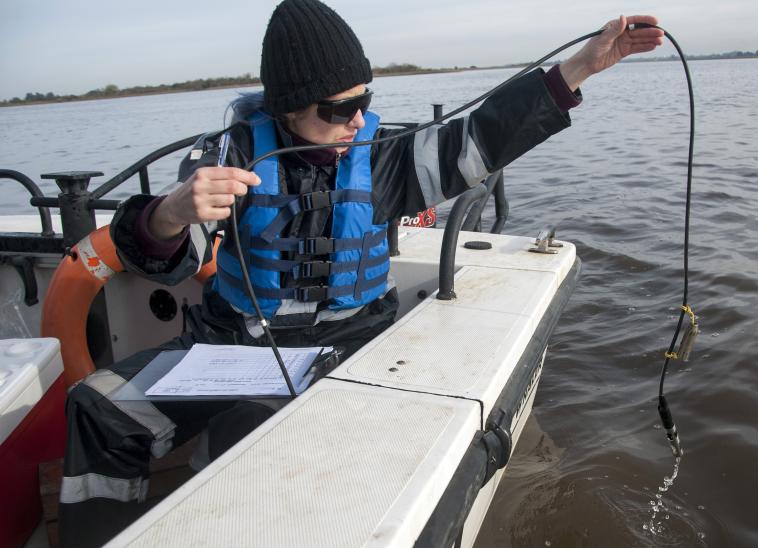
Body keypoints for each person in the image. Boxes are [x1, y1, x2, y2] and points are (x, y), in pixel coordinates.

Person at [58, 1, 664, 545]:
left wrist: (579, 68)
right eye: (338, 107)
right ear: (288, 107)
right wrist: (169, 212)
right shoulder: (229, 156)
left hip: (349, 342)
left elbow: (479, 137)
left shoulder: (384, 162)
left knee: (248, 429)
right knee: (97, 405)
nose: (357, 120)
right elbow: (171, 254)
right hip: (229, 341)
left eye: (364, 101)